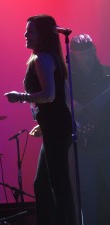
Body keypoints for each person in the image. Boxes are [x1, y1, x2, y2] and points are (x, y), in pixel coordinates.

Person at [4, 15, 76, 225]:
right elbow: (63, 95)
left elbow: (49, 95)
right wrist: (44, 122)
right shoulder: (47, 57)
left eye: (31, 31)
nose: (26, 35)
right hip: (54, 126)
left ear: (44, 34)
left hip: (56, 127)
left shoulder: (42, 58)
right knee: (43, 184)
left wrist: (19, 97)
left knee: (57, 184)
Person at [70, 34, 110, 225]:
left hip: (106, 140)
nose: (85, 57)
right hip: (84, 145)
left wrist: (96, 117)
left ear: (93, 52)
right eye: (80, 54)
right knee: (88, 196)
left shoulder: (106, 74)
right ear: (73, 55)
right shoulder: (68, 80)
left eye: (88, 52)